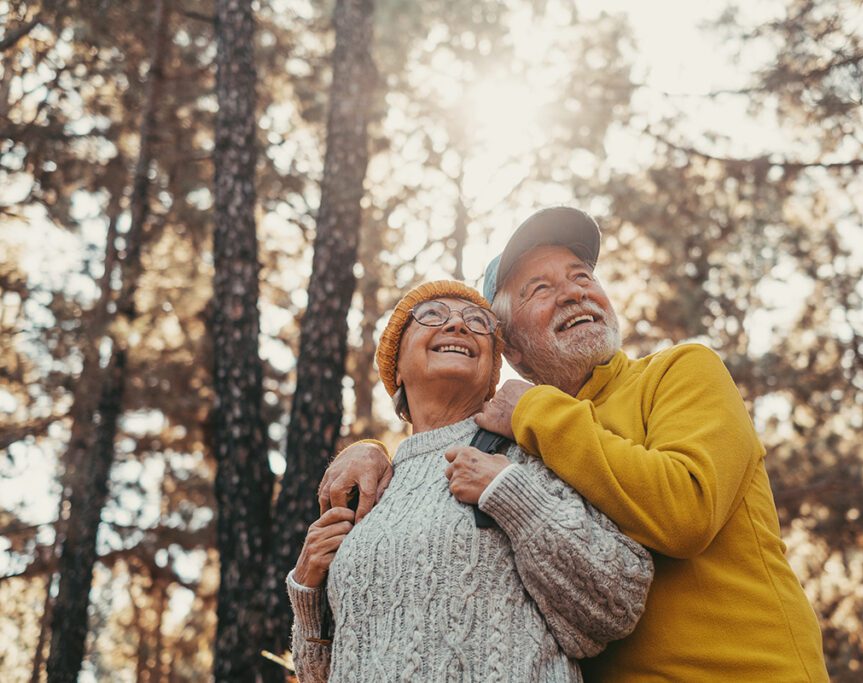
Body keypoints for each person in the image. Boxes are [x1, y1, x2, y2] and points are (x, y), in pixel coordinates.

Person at [321, 209, 830, 681]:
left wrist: (532, 411)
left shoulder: (679, 372)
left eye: (582, 277)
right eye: (539, 288)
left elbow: (687, 511)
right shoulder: (512, 441)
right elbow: (434, 452)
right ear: (513, 349)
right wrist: (371, 451)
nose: (573, 293)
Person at [289, 279, 653, 683]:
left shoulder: (526, 453)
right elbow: (320, 676)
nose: (457, 326)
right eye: (432, 315)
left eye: (478, 322)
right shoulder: (369, 489)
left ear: (492, 372)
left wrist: (514, 495)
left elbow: (617, 604)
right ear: (395, 365)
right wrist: (307, 597)